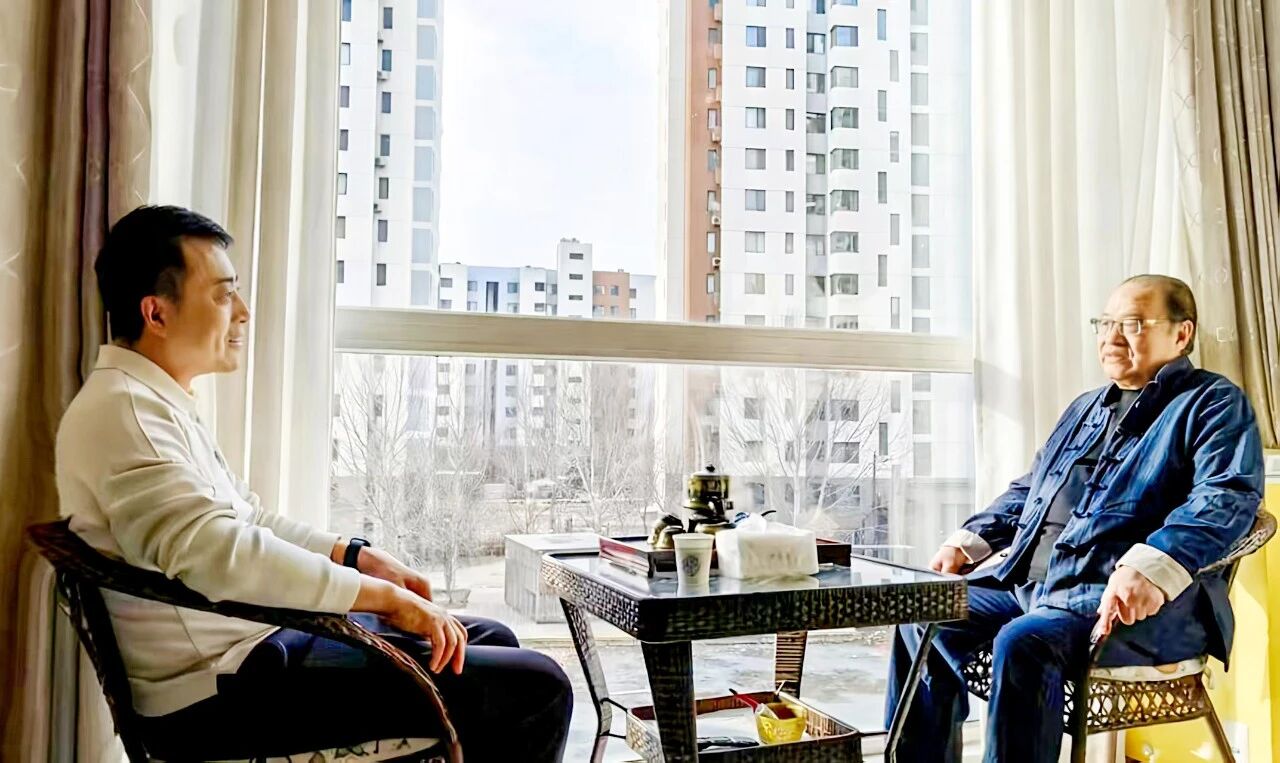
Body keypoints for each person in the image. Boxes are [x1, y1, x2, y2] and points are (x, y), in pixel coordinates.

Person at [56, 205, 572, 760]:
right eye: (224, 295)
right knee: (537, 687)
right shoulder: (127, 413)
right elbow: (220, 554)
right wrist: (385, 599)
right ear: (156, 313)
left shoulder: (152, 402)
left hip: (258, 643)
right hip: (222, 692)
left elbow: (248, 520)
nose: (243, 312)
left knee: (489, 640)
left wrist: (358, 558)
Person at [884, 275, 1264, 762]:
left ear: (1181, 333)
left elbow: (1226, 495)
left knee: (1024, 643)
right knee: (922, 611)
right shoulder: (1085, 407)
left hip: (1116, 603)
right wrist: (971, 539)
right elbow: (1031, 488)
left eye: (1132, 324)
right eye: (1104, 323)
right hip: (1027, 586)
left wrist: (1153, 564)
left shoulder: (1213, 403)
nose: (1111, 338)